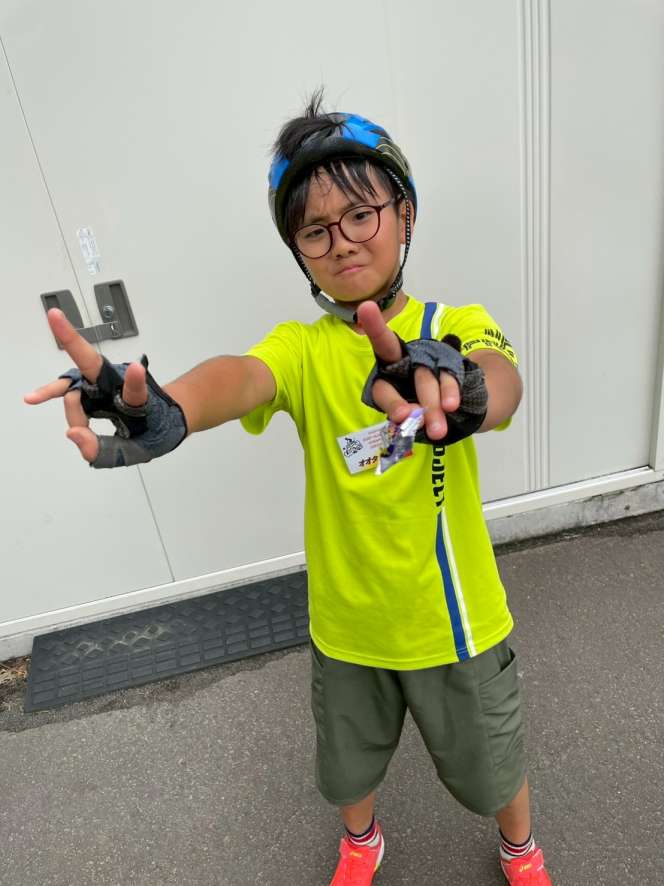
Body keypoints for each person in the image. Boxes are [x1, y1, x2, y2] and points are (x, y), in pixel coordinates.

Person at [25, 91, 552, 885]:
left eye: (362, 214)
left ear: (405, 215)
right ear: (299, 251)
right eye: (315, 230)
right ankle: (362, 842)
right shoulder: (302, 349)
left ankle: (520, 847)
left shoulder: (455, 324)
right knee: (347, 769)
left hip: (458, 623)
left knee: (493, 766)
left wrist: (465, 389)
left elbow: (502, 382)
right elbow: (241, 377)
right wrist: (167, 407)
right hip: (346, 627)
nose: (342, 243)